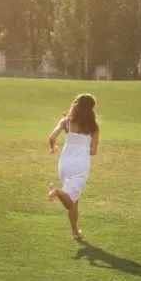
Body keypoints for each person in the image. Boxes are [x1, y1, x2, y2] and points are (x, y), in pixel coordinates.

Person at [47, 94, 100, 239]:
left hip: (64, 164)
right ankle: (56, 191)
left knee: (74, 198)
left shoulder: (66, 122)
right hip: (80, 166)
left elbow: (51, 138)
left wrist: (53, 148)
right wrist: (84, 147)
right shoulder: (93, 127)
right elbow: (94, 151)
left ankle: (75, 232)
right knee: (70, 200)